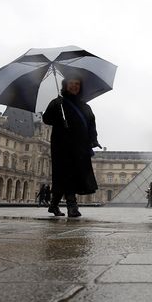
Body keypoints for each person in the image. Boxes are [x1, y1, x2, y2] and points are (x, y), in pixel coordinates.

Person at [42, 78, 100, 217]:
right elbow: (46, 119)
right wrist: (56, 109)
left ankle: (53, 205)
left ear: (80, 86)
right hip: (62, 144)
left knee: (67, 175)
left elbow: (91, 124)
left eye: (77, 84)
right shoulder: (58, 102)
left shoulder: (85, 106)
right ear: (65, 85)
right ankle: (72, 206)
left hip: (80, 146)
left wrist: (93, 140)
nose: (74, 86)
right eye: (71, 83)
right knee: (68, 173)